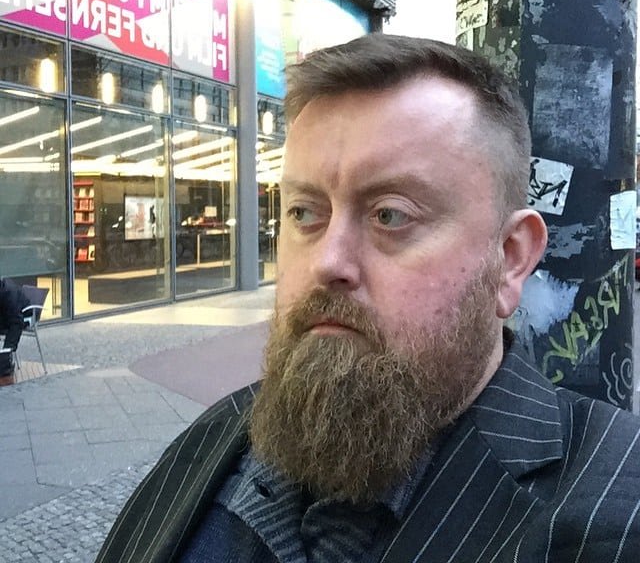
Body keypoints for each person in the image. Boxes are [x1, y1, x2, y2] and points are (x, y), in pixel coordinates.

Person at [96, 34, 640, 562]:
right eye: (304, 212)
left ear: (511, 258)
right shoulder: (218, 435)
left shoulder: (614, 510)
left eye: (391, 215)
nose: (327, 262)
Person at [0, 277, 29, 377]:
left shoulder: (10, 294)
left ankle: (5, 359)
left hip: (24, 315)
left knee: (14, 326)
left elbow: (17, 322)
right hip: (7, 314)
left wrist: (7, 350)